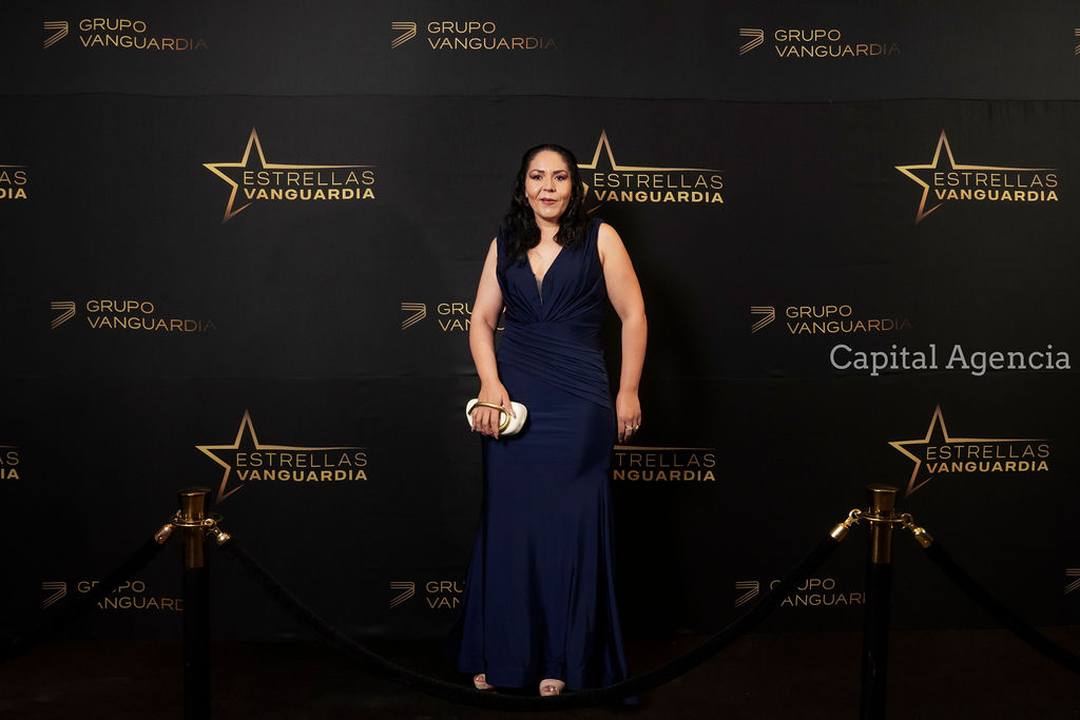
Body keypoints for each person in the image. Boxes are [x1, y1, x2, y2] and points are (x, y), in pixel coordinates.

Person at [446, 143, 648, 697]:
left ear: (574, 186)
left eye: (559, 177)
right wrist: (490, 386)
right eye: (538, 177)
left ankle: (564, 658)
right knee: (511, 523)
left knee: (569, 526)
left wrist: (628, 391)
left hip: (580, 402)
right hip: (514, 399)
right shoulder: (504, 243)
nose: (548, 187)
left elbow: (633, 314)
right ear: (524, 186)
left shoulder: (601, 238)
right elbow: (481, 320)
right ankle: (501, 651)